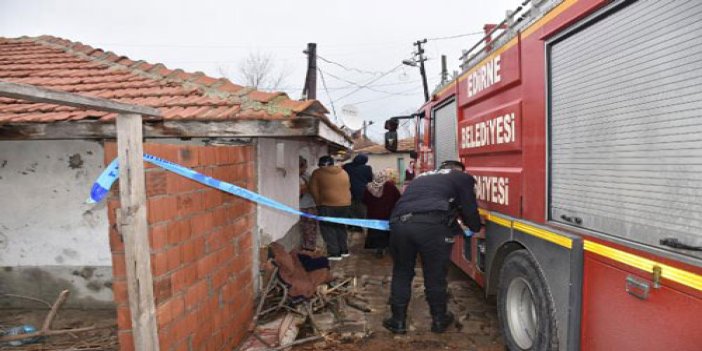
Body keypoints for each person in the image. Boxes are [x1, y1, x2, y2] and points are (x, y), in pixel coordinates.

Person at [383, 160, 482, 334]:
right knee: (435, 274)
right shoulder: (463, 177)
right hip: (433, 226)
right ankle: (439, 320)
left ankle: (397, 321)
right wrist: (474, 228)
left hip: (399, 223)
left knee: (402, 272)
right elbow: (469, 208)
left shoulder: (422, 177)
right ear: (459, 170)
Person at [309, 155, 352, 261]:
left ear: (321, 164)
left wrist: (319, 203)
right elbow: (349, 186)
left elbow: (313, 189)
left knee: (328, 228)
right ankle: (344, 250)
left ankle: (334, 253)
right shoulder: (343, 172)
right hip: (345, 204)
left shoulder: (317, 173)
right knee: (341, 227)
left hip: (328, 203)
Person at [362, 170, 401, 258]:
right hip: (388, 214)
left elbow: (364, 200)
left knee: (375, 231)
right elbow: (398, 198)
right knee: (387, 231)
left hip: (373, 214)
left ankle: (379, 248)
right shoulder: (390, 186)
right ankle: (388, 247)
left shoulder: (369, 187)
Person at [342, 154, 373, 232]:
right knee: (361, 209)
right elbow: (370, 179)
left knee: (349, 208)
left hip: (349, 190)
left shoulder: (347, 166)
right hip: (362, 191)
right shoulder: (367, 168)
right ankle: (359, 226)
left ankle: (350, 225)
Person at [298, 156, 318, 251]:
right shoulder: (300, 176)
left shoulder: (306, 175)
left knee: (310, 228)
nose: (305, 168)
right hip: (303, 206)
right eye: (304, 166)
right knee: (307, 228)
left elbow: (306, 189)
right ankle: (308, 248)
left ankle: (310, 248)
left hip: (309, 205)